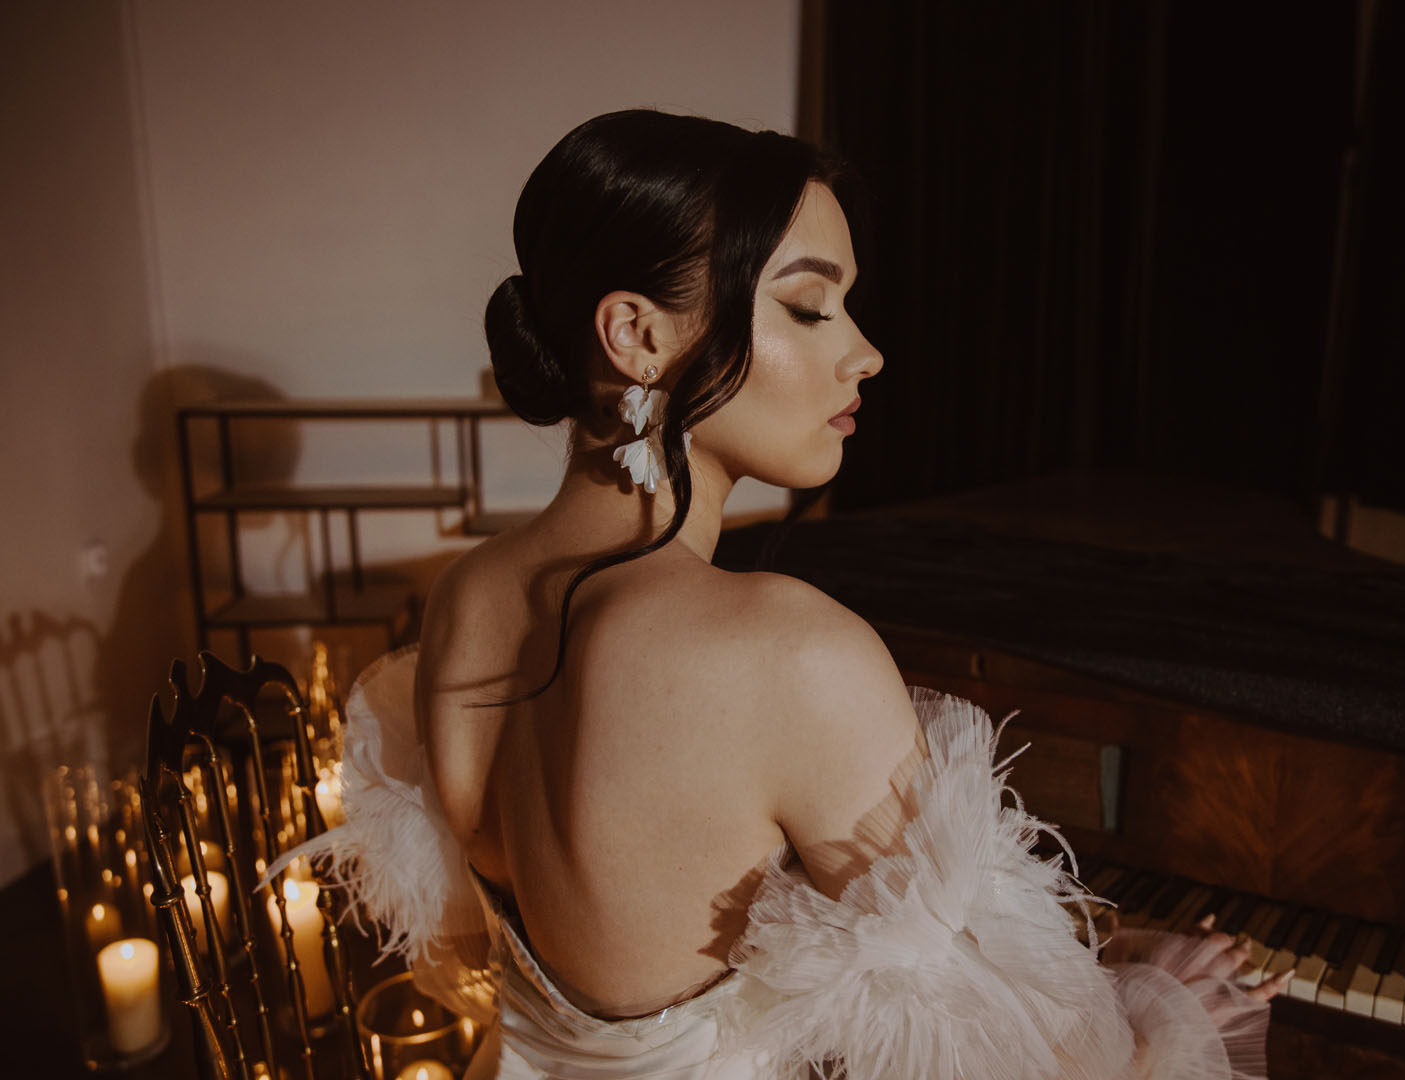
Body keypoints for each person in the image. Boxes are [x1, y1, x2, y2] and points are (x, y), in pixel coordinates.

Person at [282, 109, 1284, 1079]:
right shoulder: (784, 652)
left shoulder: (467, 596)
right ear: (634, 334)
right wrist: (1164, 1014)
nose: (866, 352)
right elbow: (1032, 1065)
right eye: (810, 307)